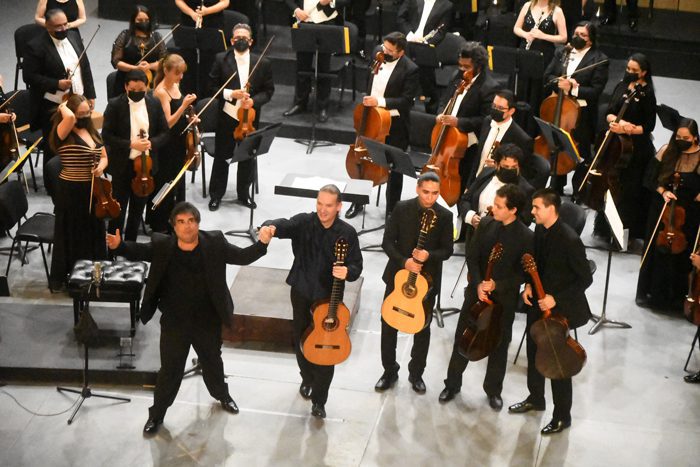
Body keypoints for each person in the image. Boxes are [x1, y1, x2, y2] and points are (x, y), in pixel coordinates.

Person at [106, 201, 275, 434]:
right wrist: (119, 246)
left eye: (191, 221)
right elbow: (139, 251)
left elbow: (242, 257)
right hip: (175, 322)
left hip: (207, 320)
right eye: (181, 222)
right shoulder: (163, 245)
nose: (186, 227)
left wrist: (262, 243)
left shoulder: (214, 243)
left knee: (213, 362)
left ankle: (222, 396)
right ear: (173, 226)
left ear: (198, 223)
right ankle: (157, 414)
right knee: (170, 370)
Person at [263, 185, 363, 418]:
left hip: (329, 297)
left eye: (329, 206)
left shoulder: (347, 233)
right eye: (320, 204)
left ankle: (320, 400)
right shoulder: (305, 222)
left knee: (328, 346)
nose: (323, 210)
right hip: (301, 289)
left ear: (339, 207)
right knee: (300, 338)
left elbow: (357, 265)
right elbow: (283, 224)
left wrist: (347, 271)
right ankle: (306, 377)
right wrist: (269, 227)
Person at [439, 184, 533, 408]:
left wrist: (497, 285)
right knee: (463, 336)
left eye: (499, 206)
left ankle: (493, 390)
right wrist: (480, 282)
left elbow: (523, 273)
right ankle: (452, 383)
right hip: (476, 293)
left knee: (499, 343)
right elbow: (472, 255)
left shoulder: (526, 237)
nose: (494, 208)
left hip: (503, 300)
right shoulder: (487, 224)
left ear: (513, 210)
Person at [509, 188, 592, 435]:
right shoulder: (540, 231)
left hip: (560, 309)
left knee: (557, 361)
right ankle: (536, 398)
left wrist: (555, 298)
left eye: (536, 207)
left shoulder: (569, 239)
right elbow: (533, 262)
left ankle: (562, 416)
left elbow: (584, 279)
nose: (532, 211)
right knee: (535, 352)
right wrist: (527, 285)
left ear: (551, 209)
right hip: (538, 303)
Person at [376, 172, 453, 394]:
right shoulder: (402, 208)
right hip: (398, 276)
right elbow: (387, 242)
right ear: (418, 189)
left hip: (426, 284)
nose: (430, 198)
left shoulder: (445, 216)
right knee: (388, 323)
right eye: (426, 192)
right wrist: (405, 262)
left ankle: (416, 373)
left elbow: (447, 250)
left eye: (435, 194)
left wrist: (429, 255)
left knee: (423, 328)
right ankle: (389, 371)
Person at [344, 32, 420, 220]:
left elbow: (407, 101)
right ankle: (358, 200)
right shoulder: (378, 53)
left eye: (389, 50)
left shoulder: (411, 69)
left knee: (395, 169)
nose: (384, 51)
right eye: (384, 47)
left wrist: (379, 101)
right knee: (362, 158)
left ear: (400, 52)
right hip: (370, 120)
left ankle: (392, 211)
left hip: (394, 124)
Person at [207, 23, 274, 211]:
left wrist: (253, 101)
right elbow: (211, 87)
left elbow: (268, 91)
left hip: (250, 119)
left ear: (251, 41)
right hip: (227, 117)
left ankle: (244, 194)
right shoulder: (221, 59)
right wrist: (230, 94)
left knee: (247, 157)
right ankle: (216, 195)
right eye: (237, 38)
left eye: (244, 38)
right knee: (222, 156)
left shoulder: (263, 62)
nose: (241, 40)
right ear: (231, 40)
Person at [23, 8, 96, 176]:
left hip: (78, 100)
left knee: (78, 138)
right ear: (48, 26)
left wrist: (90, 94)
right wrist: (56, 83)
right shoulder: (35, 46)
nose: (64, 29)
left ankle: (77, 173)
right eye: (58, 26)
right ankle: (53, 182)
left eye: (65, 24)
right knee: (54, 144)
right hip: (53, 105)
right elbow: (29, 77)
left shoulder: (74, 36)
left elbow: (85, 66)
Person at [636, 119, 700, 310]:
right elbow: (649, 178)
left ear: (695, 138)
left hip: (688, 214)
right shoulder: (667, 150)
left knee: (682, 255)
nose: (681, 140)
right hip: (664, 210)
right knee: (657, 251)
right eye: (678, 137)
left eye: (685, 138)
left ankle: (677, 298)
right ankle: (654, 295)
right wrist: (663, 191)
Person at [594, 53, 656, 243]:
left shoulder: (647, 95)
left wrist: (627, 128)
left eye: (634, 71)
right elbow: (610, 111)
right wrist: (614, 122)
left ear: (643, 73)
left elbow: (648, 126)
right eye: (628, 69)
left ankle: (626, 233)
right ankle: (606, 229)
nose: (629, 72)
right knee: (610, 184)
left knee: (629, 190)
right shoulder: (622, 85)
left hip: (634, 149)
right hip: (615, 144)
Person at [48, 95, 108, 290]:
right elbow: (70, 118)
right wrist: (64, 105)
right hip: (72, 192)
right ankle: (75, 277)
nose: (84, 117)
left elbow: (104, 154)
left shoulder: (91, 131)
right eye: (81, 113)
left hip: (93, 190)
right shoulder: (63, 131)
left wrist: (100, 167)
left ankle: (95, 274)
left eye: (87, 113)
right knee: (75, 235)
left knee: (93, 231)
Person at [543, 20, 608, 195]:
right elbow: (547, 75)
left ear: (591, 40)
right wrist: (559, 83)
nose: (577, 37)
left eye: (583, 35)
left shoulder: (600, 60)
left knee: (582, 150)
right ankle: (556, 184)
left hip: (581, 112)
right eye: (576, 33)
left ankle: (579, 189)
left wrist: (574, 88)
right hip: (559, 106)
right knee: (556, 144)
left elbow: (596, 90)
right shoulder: (562, 52)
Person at [102, 70, 168, 241]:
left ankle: (130, 247)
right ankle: (113, 249)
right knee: (118, 209)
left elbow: (164, 132)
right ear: (126, 87)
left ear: (147, 87)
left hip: (146, 167)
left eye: (141, 89)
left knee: (137, 211)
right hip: (123, 165)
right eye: (133, 89)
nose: (137, 93)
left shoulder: (153, 103)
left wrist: (152, 142)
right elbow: (107, 136)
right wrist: (131, 144)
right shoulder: (115, 105)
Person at [435, 43, 500, 191]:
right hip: (448, 135)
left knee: (462, 178)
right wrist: (440, 113)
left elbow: (486, 119)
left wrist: (459, 122)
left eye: (467, 67)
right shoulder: (457, 76)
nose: (462, 70)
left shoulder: (489, 87)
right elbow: (444, 99)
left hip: (468, 141)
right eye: (460, 66)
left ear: (479, 66)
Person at [150, 54, 198, 233]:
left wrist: (191, 117)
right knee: (167, 182)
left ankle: (176, 218)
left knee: (178, 181)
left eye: (182, 73)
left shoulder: (176, 85)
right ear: (166, 71)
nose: (181, 77)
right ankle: (161, 222)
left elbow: (180, 118)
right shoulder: (161, 91)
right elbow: (168, 123)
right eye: (177, 73)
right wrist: (183, 105)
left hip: (180, 141)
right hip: (167, 145)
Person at [282, 0, 349, 123]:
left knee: (324, 67)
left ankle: (322, 106)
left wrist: (331, 1)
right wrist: (296, 10)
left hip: (327, 23)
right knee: (302, 66)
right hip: (303, 22)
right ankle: (300, 103)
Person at [458, 143, 535, 233]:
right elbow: (465, 199)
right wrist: (471, 217)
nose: (509, 170)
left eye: (514, 167)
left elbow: (523, 223)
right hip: (473, 234)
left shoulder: (526, 190)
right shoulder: (486, 173)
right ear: (497, 165)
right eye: (505, 166)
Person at [396, 0, 453, 114]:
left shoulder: (447, 5)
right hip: (408, 42)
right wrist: (409, 35)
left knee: (427, 81)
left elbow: (441, 31)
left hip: (426, 46)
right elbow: (401, 17)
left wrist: (426, 43)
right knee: (401, 76)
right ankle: (400, 105)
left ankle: (430, 112)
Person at [470, 90, 533, 185]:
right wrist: (469, 185)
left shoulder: (522, 138)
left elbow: (523, 173)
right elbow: (478, 156)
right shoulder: (487, 121)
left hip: (499, 186)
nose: (495, 110)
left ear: (511, 111)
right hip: (476, 181)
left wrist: (500, 167)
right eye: (494, 106)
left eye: (500, 108)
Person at [110, 5, 167, 95]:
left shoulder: (156, 37)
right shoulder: (125, 36)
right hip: (126, 83)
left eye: (146, 20)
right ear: (133, 21)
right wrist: (136, 68)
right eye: (140, 20)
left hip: (151, 83)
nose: (143, 23)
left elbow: (164, 62)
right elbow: (116, 62)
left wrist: (150, 66)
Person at [514, 0, 567, 68]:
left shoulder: (557, 11)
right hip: (525, 52)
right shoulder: (527, 5)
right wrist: (525, 34)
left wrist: (543, 36)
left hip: (545, 56)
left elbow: (564, 37)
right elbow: (516, 28)